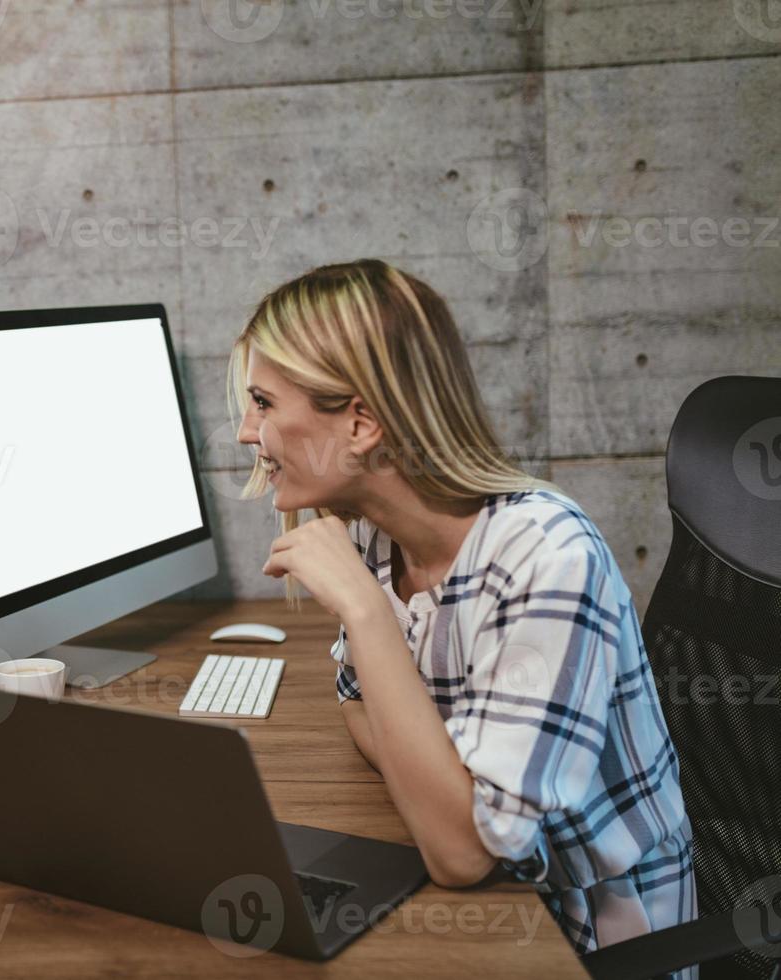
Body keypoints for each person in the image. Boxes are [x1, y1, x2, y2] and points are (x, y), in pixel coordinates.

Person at [231, 259, 694, 963]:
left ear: (360, 422)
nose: (244, 432)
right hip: (502, 904)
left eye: (263, 402)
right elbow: (359, 707)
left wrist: (364, 609)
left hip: (594, 936)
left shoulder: (548, 558)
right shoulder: (372, 531)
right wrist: (447, 786)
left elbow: (462, 855)